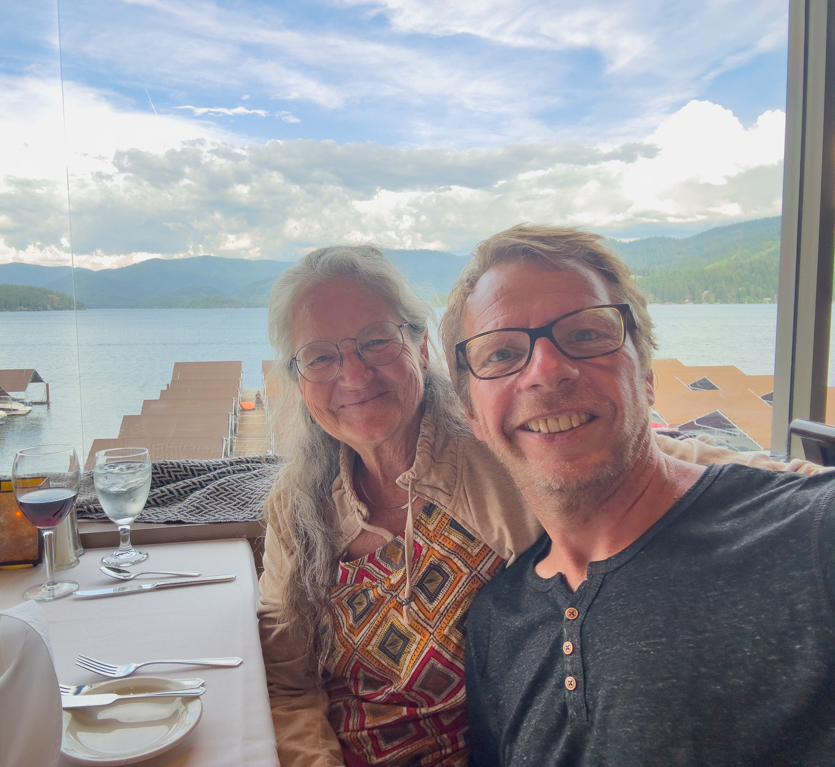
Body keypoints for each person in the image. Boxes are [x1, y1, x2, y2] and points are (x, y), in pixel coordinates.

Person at [256, 243, 819, 767]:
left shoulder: (502, 445)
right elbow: (289, 681)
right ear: (300, 382)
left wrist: (799, 478)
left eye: (376, 340)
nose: (353, 373)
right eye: (321, 357)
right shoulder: (297, 507)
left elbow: (657, 457)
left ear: (420, 346)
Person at [438, 225, 835, 766]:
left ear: (646, 376)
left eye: (584, 335)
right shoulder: (496, 623)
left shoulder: (809, 535)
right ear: (473, 417)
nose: (547, 370)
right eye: (502, 353)